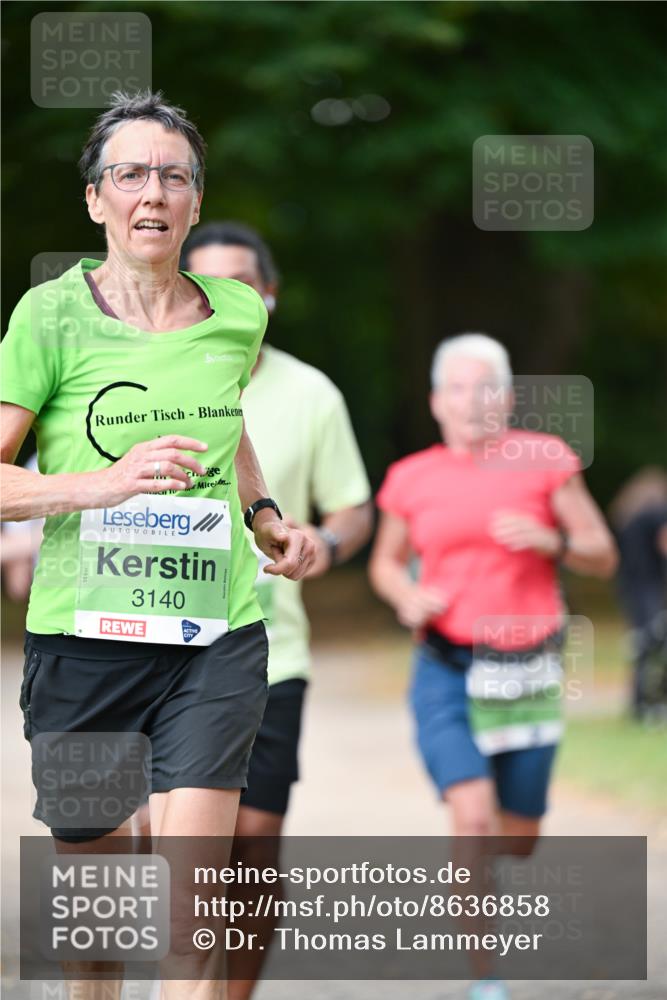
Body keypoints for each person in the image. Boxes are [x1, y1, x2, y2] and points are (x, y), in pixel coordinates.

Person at [0, 90, 315, 999]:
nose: (153, 193)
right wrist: (101, 484)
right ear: (96, 200)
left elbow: (229, 430)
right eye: (130, 174)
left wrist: (263, 517)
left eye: (173, 176)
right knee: (98, 916)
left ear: (196, 201)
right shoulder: (48, 317)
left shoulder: (235, 313)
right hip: (84, 642)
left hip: (213, 636)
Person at [369, 333, 617, 1000]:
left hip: (525, 673)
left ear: (505, 398)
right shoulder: (410, 477)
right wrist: (404, 594)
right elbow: (384, 562)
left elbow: (601, 553)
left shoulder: (544, 459)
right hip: (445, 665)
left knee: (517, 838)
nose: (471, 400)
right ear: (435, 401)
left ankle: (476, 873)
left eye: (485, 387)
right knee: (471, 815)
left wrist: (552, 540)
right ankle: (486, 977)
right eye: (457, 387)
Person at [181, 221, 373, 998]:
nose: (225, 299)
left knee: (252, 845)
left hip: (268, 652)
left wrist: (324, 540)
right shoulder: (149, 377)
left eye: (241, 284)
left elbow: (354, 508)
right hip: (155, 645)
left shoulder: (310, 392)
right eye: (206, 285)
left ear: (269, 297)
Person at [608, 467, 667, 716]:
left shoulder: (627, 517)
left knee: (642, 642)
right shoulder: (658, 513)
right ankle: (653, 701)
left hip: (630, 588)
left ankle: (640, 701)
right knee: (656, 642)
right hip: (653, 589)